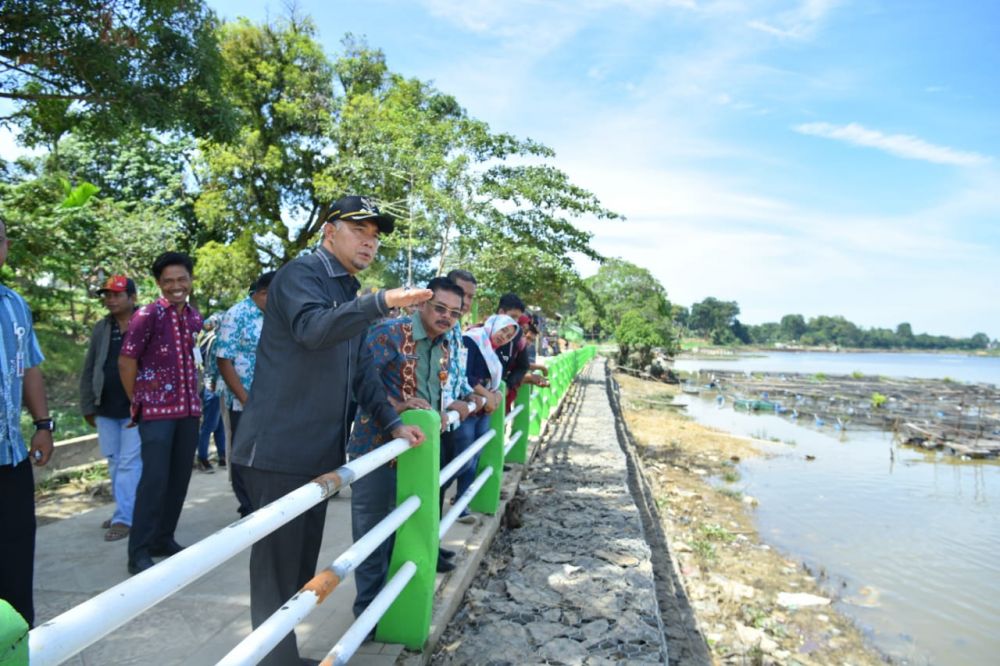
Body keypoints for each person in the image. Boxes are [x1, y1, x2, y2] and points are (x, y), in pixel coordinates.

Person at [229, 195, 431, 666]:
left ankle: (282, 655)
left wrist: (394, 423)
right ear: (329, 231)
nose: (369, 241)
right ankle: (271, 661)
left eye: (375, 236)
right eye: (359, 230)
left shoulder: (346, 289)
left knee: (299, 571)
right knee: (277, 572)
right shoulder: (301, 275)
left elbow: (361, 372)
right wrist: (379, 302)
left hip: (318, 455)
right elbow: (312, 330)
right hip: (277, 450)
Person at [349, 276, 477, 616]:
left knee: (405, 530)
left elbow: (437, 395)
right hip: (377, 448)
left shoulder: (445, 344)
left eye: (454, 312)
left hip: (419, 455)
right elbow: (356, 384)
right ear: (421, 303)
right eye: (439, 308)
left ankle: (392, 608)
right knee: (373, 535)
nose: (446, 317)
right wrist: (399, 405)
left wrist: (460, 404)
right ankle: (367, 615)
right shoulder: (389, 334)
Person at [119, 251, 203, 575]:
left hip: (188, 411)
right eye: (168, 281)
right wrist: (136, 401)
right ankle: (138, 551)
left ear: (191, 280)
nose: (176, 286)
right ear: (159, 284)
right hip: (156, 413)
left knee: (179, 478)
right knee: (153, 481)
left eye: (182, 279)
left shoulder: (193, 316)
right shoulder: (147, 315)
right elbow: (126, 361)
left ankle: (162, 539)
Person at [0, 219, 54, 627]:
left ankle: (19, 643)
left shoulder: (14, 304)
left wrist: (43, 424)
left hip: (11, 458)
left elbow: (29, 368)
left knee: (16, 562)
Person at [80, 274, 141, 542]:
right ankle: (124, 510)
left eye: (116, 294)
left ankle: (124, 518)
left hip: (135, 407)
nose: (111, 300)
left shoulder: (146, 322)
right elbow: (90, 366)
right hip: (105, 406)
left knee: (129, 463)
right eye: (107, 295)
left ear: (132, 297)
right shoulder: (101, 328)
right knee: (115, 462)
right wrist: (87, 406)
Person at [216, 270, 275, 517]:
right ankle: (247, 506)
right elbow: (224, 359)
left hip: (270, 399)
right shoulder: (236, 315)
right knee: (242, 453)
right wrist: (244, 398)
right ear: (262, 293)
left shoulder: (273, 315)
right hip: (243, 401)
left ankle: (262, 501)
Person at [451, 314, 519, 521]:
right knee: (463, 459)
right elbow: (465, 374)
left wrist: (495, 393)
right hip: (466, 408)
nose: (504, 337)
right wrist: (489, 395)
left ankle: (463, 505)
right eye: (503, 331)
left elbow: (496, 380)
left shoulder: (492, 349)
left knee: (475, 458)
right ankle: (447, 502)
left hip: (482, 410)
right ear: (493, 325)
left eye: (509, 335)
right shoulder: (472, 340)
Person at [194, 313, 225, 473]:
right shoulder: (216, 339)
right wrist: (212, 384)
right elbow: (215, 364)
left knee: (218, 424)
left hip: (210, 384)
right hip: (213, 386)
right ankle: (203, 459)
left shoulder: (205, 338)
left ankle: (222, 457)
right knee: (209, 425)